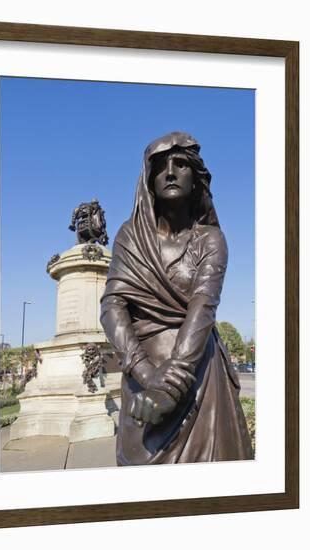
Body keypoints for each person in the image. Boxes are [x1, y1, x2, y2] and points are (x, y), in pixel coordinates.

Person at [100, 131, 253, 465]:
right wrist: (145, 373)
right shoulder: (130, 237)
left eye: (181, 164)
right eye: (161, 166)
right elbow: (112, 306)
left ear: (195, 178)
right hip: (143, 379)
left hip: (199, 377)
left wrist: (169, 386)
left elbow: (203, 307)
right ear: (149, 180)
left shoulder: (211, 240)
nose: (170, 172)